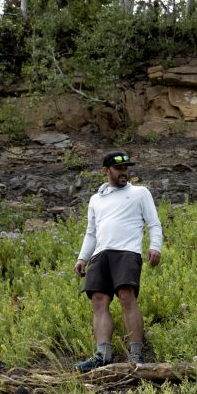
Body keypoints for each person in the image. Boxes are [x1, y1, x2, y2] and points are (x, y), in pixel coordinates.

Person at [72, 150, 163, 371]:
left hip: (127, 252)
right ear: (106, 171)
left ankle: (136, 355)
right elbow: (91, 232)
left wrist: (155, 246)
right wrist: (83, 257)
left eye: (126, 168)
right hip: (101, 254)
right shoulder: (96, 199)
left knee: (126, 297)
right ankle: (103, 354)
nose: (124, 172)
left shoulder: (140, 193)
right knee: (99, 301)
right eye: (119, 169)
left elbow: (153, 223)